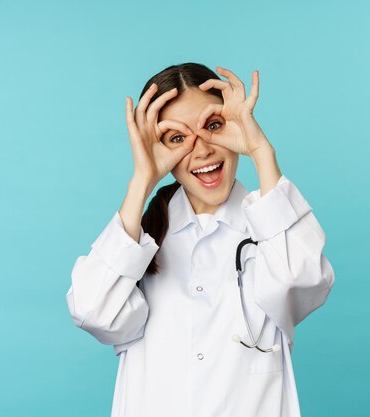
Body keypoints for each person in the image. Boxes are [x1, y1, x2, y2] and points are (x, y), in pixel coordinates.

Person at [65, 62, 335, 417]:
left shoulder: (271, 231)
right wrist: (142, 181)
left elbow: (301, 283)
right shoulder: (140, 241)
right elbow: (92, 312)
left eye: (213, 126)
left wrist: (261, 152)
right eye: (177, 138)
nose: (202, 149)